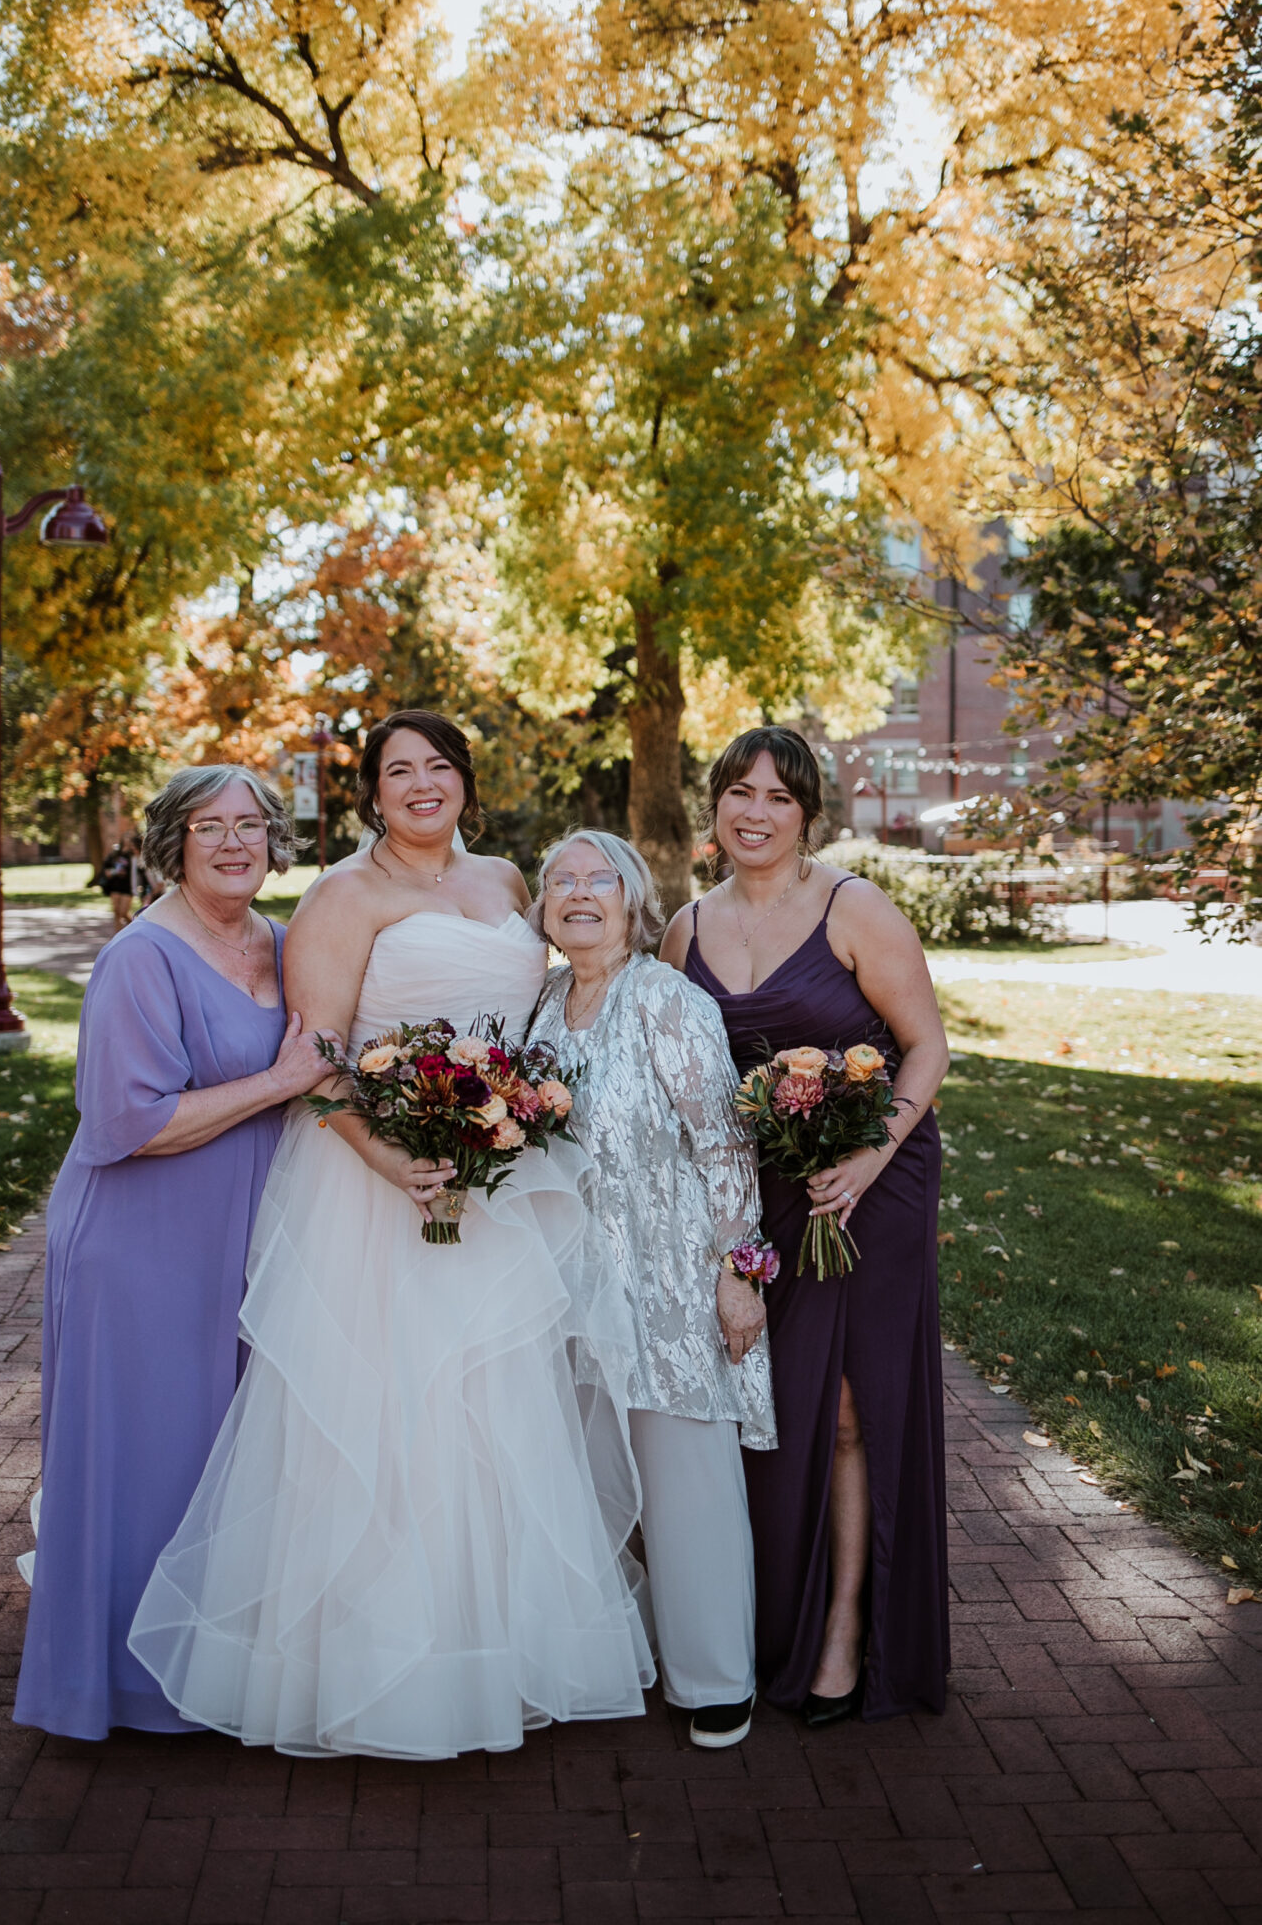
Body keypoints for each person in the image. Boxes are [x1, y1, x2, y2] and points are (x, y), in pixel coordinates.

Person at [129, 711, 654, 1758]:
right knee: (388, 1417)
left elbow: (557, 988)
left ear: (465, 779)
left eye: (439, 766)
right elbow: (317, 1056)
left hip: (497, 1175)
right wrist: (394, 1160)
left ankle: (496, 1652)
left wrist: (510, 1118)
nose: (421, 784)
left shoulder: (508, 882)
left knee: (499, 1407)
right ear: (371, 793)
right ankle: (370, 1671)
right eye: (397, 770)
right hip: (375, 1185)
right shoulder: (342, 896)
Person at [14, 765, 327, 1739]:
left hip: (239, 1233)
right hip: (140, 1242)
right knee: (145, 1452)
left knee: (220, 1454)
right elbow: (127, 1121)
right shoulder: (140, 955)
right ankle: (123, 1679)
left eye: (250, 825)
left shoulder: (281, 942)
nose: (234, 842)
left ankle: (214, 1663)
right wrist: (279, 1081)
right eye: (209, 827)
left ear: (274, 840)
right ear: (172, 843)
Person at [663, 726, 951, 1725]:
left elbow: (924, 1046)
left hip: (872, 1181)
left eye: (779, 797)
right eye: (738, 791)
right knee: (767, 1405)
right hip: (763, 1198)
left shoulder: (853, 907)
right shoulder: (683, 928)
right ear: (714, 806)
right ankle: (762, 1619)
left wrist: (870, 1157)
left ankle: (844, 1630)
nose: (755, 811)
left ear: (807, 813)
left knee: (845, 1409)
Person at [527, 829, 776, 1751]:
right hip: (560, 1278)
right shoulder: (542, 1005)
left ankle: (716, 1682)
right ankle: (600, 1654)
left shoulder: (667, 1000)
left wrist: (736, 1276)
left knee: (687, 1485)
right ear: (544, 909)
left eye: (601, 879)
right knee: (577, 1472)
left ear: (634, 903)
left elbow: (725, 1146)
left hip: (670, 1281)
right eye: (562, 881)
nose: (579, 893)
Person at [97, 841, 134, 935]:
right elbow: (106, 872)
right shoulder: (112, 856)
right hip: (115, 886)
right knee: (117, 912)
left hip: (127, 887)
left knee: (123, 913)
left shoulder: (132, 856)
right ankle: (118, 935)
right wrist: (116, 872)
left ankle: (135, 928)